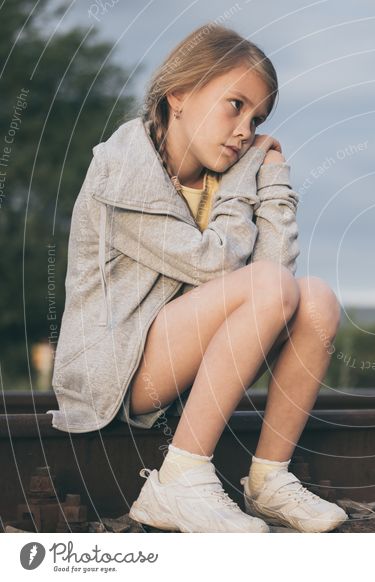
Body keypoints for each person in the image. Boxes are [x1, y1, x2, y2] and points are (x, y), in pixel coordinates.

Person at [48, 23, 346, 533]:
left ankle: (268, 480)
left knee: (317, 300)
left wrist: (272, 178)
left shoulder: (217, 178)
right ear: (179, 95)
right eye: (236, 105)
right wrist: (243, 183)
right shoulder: (123, 171)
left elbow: (275, 273)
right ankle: (180, 480)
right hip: (115, 370)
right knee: (272, 286)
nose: (246, 131)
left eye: (258, 119)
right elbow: (222, 267)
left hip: (178, 360)